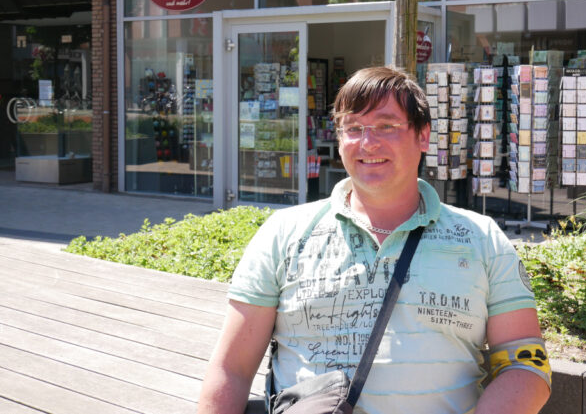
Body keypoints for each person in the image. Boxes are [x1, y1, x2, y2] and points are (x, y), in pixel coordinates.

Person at [198, 66, 551, 414]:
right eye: (353, 128)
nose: (368, 143)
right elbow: (232, 369)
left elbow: (525, 364)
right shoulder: (284, 233)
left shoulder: (482, 239)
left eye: (386, 125)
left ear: (423, 136)